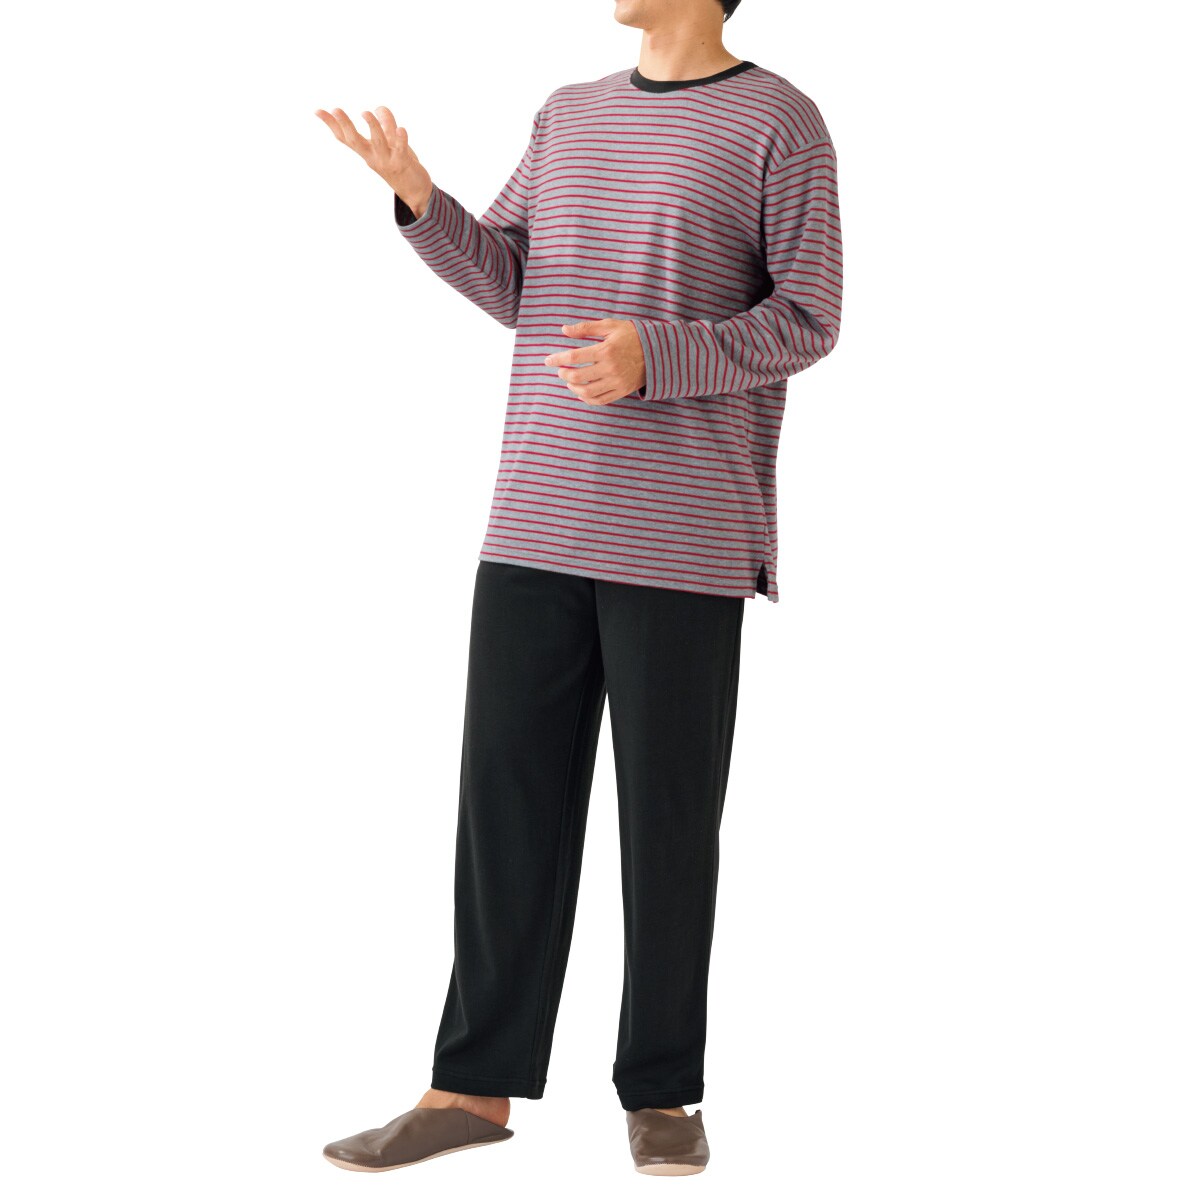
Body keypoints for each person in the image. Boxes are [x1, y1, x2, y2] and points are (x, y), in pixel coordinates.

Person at [313, 0, 842, 1175]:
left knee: (668, 827)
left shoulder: (781, 121)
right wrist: (419, 198)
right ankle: (471, 1089)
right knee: (504, 814)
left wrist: (658, 356)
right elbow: (519, 283)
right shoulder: (568, 114)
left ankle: (663, 1093)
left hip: (685, 534)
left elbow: (810, 318)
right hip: (535, 516)